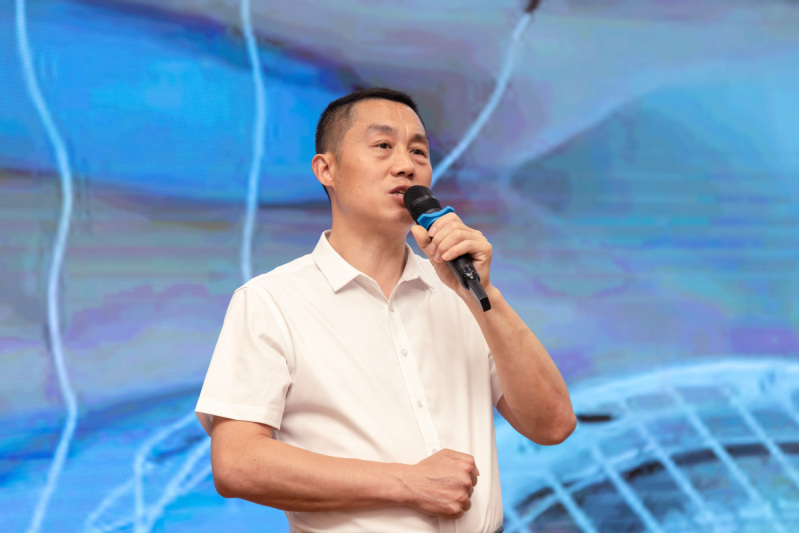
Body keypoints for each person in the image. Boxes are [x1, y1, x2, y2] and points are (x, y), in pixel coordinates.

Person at [195, 87, 576, 533]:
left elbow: (552, 425)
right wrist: (407, 483)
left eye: (419, 151)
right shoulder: (271, 301)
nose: (406, 165)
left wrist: (483, 293)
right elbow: (238, 463)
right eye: (382, 146)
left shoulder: (460, 294)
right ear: (326, 169)